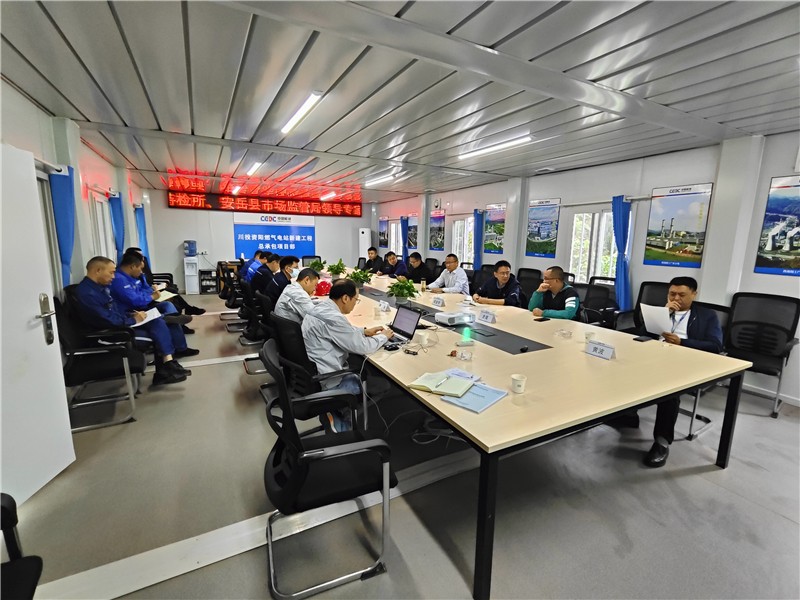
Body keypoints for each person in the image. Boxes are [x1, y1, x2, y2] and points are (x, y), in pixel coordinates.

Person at [634, 277, 723, 468]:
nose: (676, 298)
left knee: (670, 390)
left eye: (682, 295)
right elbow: (643, 334)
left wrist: (683, 342)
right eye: (672, 294)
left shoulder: (708, 316)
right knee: (624, 371)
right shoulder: (663, 311)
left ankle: (662, 443)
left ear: (694, 294)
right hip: (655, 357)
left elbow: (715, 346)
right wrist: (663, 314)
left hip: (686, 362)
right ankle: (627, 414)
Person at [72, 257, 194, 386]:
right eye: (111, 272)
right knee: (157, 331)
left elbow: (114, 312)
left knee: (156, 322)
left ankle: (168, 364)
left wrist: (130, 315)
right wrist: (132, 319)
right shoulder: (88, 293)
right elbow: (108, 320)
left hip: (119, 324)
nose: (113, 276)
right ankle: (166, 367)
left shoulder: (99, 287)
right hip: (109, 334)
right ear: (98, 271)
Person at [302, 279, 393, 432]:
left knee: (363, 368)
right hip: (331, 380)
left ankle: (339, 410)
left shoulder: (320, 309)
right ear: (345, 298)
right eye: (356, 300)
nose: (355, 303)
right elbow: (363, 347)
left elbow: (340, 331)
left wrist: (363, 331)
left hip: (316, 372)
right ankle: (344, 417)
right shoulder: (334, 318)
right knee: (383, 385)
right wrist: (384, 336)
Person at [111, 252, 193, 327]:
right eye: (140, 268)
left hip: (143, 303)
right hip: (135, 309)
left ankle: (175, 323)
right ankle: (166, 319)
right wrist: (152, 297)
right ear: (133, 266)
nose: (141, 272)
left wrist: (150, 293)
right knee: (165, 318)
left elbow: (143, 290)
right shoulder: (119, 279)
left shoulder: (131, 276)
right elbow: (135, 300)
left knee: (168, 305)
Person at [125, 247, 206, 317]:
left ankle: (186, 311)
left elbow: (145, 286)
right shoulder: (127, 278)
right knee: (171, 296)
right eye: (139, 256)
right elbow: (137, 296)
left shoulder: (139, 270)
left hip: (150, 292)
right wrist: (152, 292)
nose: (142, 258)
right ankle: (185, 311)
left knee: (172, 292)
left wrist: (152, 288)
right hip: (147, 298)